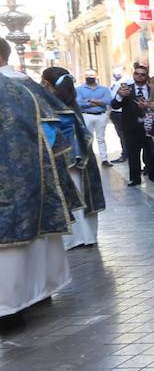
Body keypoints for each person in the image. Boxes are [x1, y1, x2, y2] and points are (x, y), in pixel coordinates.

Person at [0, 40, 77, 318]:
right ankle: (39, 293)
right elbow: (61, 123)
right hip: (37, 176)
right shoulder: (29, 87)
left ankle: (10, 308)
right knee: (38, 240)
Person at [41, 67, 105, 250]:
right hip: (82, 157)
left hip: (64, 159)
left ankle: (75, 238)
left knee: (71, 195)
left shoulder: (52, 105)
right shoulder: (71, 103)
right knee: (83, 194)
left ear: (46, 83)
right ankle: (88, 236)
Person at [111, 64, 154, 186]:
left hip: (149, 126)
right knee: (133, 153)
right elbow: (114, 105)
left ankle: (153, 175)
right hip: (131, 127)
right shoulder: (126, 89)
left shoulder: (153, 89)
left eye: (142, 74)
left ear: (147, 76)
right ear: (133, 75)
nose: (139, 76)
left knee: (151, 152)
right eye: (137, 74)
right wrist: (120, 96)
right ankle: (135, 178)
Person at [75, 70, 114, 166]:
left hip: (101, 115)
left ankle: (104, 159)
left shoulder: (104, 89)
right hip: (86, 115)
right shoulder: (79, 89)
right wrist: (97, 102)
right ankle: (88, 159)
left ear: (97, 76)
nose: (89, 77)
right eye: (87, 75)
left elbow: (108, 101)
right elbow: (79, 103)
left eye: (91, 75)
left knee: (101, 138)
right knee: (87, 138)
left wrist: (89, 101)